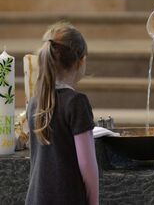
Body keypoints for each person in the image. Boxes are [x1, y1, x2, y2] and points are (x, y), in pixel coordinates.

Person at [25, 21, 99, 205]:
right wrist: (94, 201)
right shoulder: (76, 103)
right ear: (81, 61)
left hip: (36, 198)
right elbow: (87, 166)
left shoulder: (34, 102)